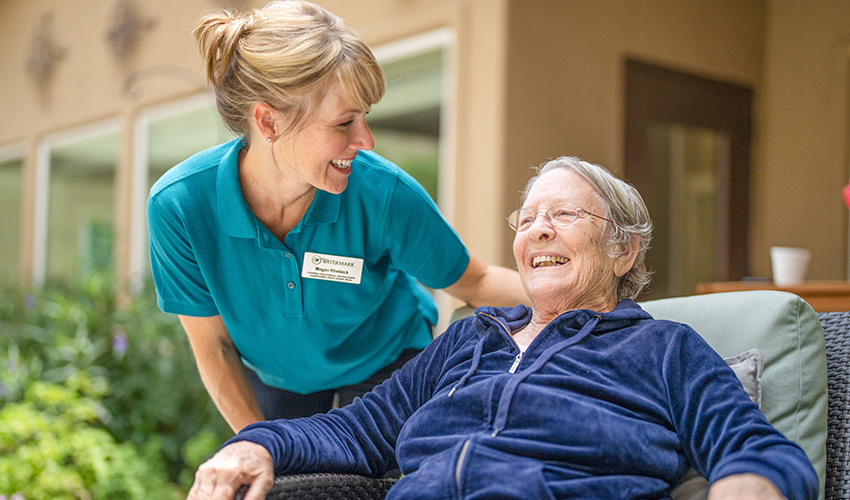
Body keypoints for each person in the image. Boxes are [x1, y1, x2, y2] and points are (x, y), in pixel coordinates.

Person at [186, 156, 818, 500]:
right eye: (528, 217)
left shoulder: (660, 346)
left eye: (564, 214)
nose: (537, 229)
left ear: (623, 251)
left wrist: (749, 483)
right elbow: (359, 429)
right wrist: (257, 444)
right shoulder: (471, 338)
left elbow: (755, 446)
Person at [146, 0, 526, 433]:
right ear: (267, 121)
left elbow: (474, 282)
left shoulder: (384, 194)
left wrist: (592, 292)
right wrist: (260, 445)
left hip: (386, 364)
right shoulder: (180, 206)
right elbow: (213, 345)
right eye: (344, 123)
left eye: (365, 117)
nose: (366, 141)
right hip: (277, 379)